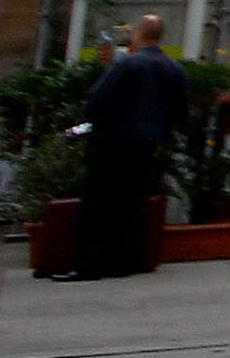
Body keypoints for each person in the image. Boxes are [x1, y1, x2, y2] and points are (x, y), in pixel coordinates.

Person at [60, 16, 188, 282]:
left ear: (138, 35)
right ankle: (124, 260)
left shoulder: (128, 64)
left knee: (97, 200)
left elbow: (96, 99)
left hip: (112, 140)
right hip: (147, 142)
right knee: (130, 200)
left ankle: (88, 263)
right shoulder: (173, 68)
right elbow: (181, 109)